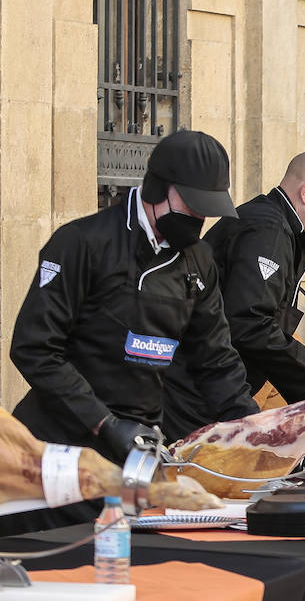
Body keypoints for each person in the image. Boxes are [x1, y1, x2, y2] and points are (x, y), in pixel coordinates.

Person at [9, 129, 257, 464]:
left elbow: (215, 359)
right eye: (193, 205)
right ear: (156, 188)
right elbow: (35, 349)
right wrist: (105, 424)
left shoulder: (198, 261)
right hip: (59, 442)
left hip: (138, 447)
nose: (200, 218)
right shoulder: (81, 243)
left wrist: (253, 428)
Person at [160, 148, 305, 439]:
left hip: (212, 387)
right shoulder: (269, 230)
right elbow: (249, 323)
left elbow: (260, 327)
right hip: (192, 391)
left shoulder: (278, 229)